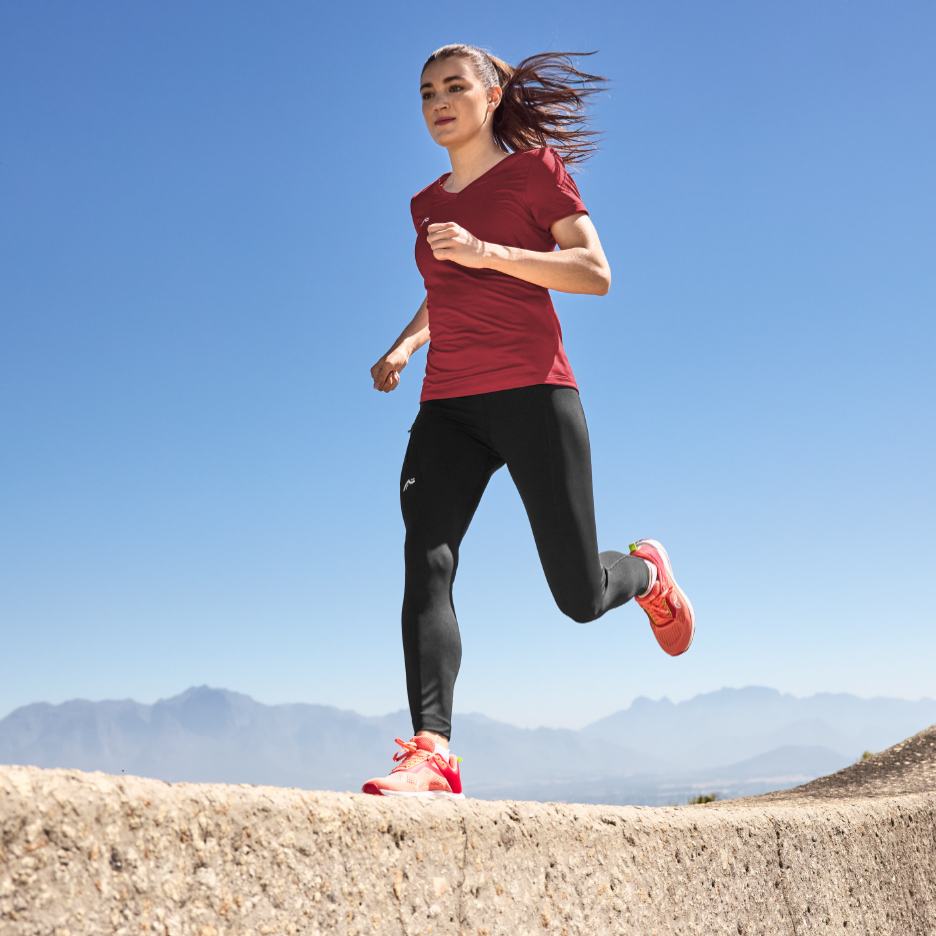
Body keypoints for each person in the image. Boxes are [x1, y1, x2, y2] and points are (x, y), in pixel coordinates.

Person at [362, 44, 695, 799]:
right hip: (448, 403)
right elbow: (443, 290)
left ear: (490, 96)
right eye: (425, 92)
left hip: (535, 393)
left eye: (454, 86)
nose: (438, 101)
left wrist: (488, 250)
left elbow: (593, 273)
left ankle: (645, 573)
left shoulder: (536, 171)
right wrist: (407, 343)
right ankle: (431, 752)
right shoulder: (426, 203)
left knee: (578, 597)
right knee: (428, 557)